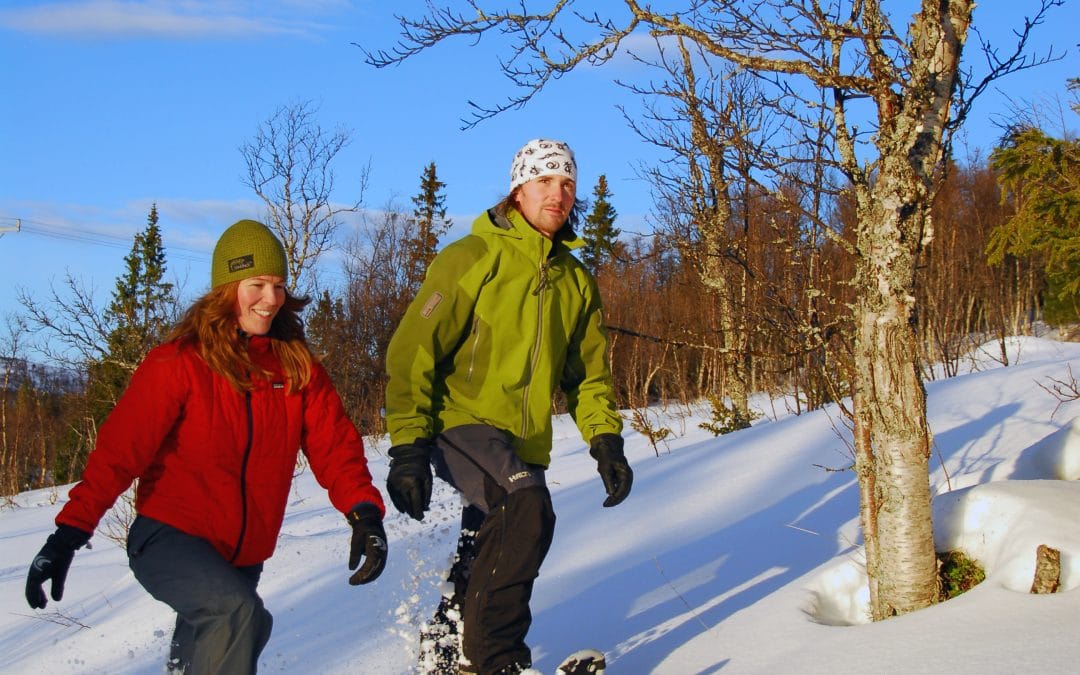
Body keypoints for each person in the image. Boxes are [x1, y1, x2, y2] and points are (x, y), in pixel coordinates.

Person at [24, 219, 388, 674]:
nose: (271, 299)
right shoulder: (179, 363)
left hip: (243, 555)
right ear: (227, 288)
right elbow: (119, 455)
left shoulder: (296, 369)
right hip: (170, 538)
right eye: (257, 284)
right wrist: (67, 536)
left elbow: (335, 447)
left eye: (278, 285)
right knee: (238, 616)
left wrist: (365, 513)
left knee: (221, 638)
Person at [383, 139, 633, 675]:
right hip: (459, 422)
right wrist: (407, 444)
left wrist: (605, 440)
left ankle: (446, 649)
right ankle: (497, 661)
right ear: (518, 189)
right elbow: (412, 351)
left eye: (567, 183)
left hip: (521, 442)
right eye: (545, 181)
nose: (558, 193)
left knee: (492, 542)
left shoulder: (574, 280)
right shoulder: (472, 258)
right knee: (525, 506)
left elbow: (589, 375)